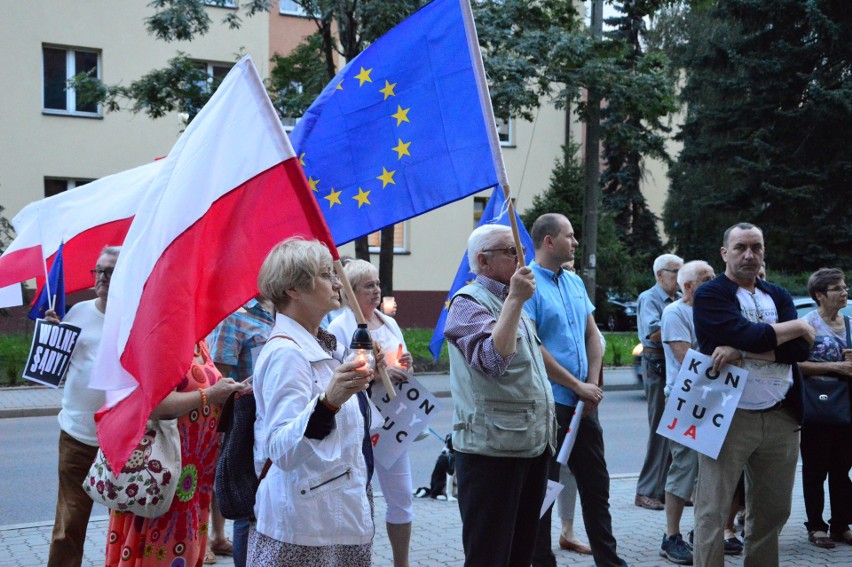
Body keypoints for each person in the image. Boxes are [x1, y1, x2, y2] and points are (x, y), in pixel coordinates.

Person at [248, 238, 378, 566]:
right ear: (294, 288)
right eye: (325, 275)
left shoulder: (325, 344)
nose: (338, 282)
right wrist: (330, 400)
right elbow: (282, 449)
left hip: (334, 516)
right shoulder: (286, 354)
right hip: (305, 527)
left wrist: (359, 385)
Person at [692, 222, 814, 566]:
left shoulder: (777, 294)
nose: (749, 255)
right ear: (724, 253)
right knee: (712, 510)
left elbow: (799, 353)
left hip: (781, 415)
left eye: (756, 247)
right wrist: (801, 326)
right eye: (741, 247)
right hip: (727, 416)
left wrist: (741, 351)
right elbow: (742, 332)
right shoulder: (711, 294)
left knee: (773, 510)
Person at [443, 224, 556, 567]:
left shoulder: (513, 301)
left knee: (521, 551)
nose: (522, 257)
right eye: (510, 251)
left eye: (521, 248)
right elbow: (493, 360)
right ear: (483, 260)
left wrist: (515, 302)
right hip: (491, 449)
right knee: (490, 555)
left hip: (530, 442)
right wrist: (515, 302)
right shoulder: (469, 302)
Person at [526, 214, 628, 567]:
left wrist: (592, 384)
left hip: (585, 405)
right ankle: (541, 560)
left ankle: (609, 560)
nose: (576, 242)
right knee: (545, 490)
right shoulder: (528, 285)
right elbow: (534, 346)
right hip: (553, 404)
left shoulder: (573, 282)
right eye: (570, 236)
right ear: (549, 241)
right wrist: (575, 386)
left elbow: (592, 337)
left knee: (596, 488)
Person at [104, 341, 247, 566]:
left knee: (185, 551)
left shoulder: (199, 342)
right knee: (158, 549)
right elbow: (156, 403)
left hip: (194, 480)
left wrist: (230, 392)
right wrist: (210, 394)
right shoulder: (162, 341)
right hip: (163, 474)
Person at [328, 259, 415, 567]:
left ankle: (401, 562)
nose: (377, 290)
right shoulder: (339, 326)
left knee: (402, 497)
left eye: (378, 283)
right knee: (355, 497)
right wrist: (379, 373)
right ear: (350, 291)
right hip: (357, 422)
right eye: (369, 285)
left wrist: (405, 365)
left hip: (393, 421)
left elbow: (401, 362)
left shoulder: (387, 322)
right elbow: (338, 371)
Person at [44, 246, 118, 567]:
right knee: (70, 523)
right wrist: (51, 338)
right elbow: (53, 370)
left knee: (125, 520)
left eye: (110, 272)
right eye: (98, 271)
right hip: (77, 435)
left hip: (122, 440)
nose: (101, 277)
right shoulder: (77, 314)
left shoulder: (135, 319)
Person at [208, 297, 274, 566]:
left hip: (283, 423)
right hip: (247, 428)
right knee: (247, 509)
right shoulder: (234, 317)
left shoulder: (288, 312)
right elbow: (218, 382)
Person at [659, 260, 715, 565]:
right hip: (684, 399)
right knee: (684, 467)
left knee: (713, 470)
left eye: (713, 277)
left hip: (716, 398)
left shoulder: (717, 309)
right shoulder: (675, 313)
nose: (713, 282)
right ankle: (671, 536)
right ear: (688, 286)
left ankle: (705, 532)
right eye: (705, 279)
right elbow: (686, 357)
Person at [797, 268, 852, 548]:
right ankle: (816, 526)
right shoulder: (806, 325)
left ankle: (841, 525)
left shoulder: (851, 323)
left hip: (846, 409)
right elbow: (795, 365)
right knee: (815, 469)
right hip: (816, 409)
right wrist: (835, 366)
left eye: (844, 287)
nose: (844, 292)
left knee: (843, 469)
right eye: (837, 289)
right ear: (819, 295)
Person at [635, 253, 683, 511]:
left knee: (674, 429)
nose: (680, 277)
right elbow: (654, 334)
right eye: (675, 271)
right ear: (660, 274)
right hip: (657, 367)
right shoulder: (650, 298)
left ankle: (669, 490)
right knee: (659, 429)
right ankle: (645, 491)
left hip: (672, 368)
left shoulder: (676, 300)